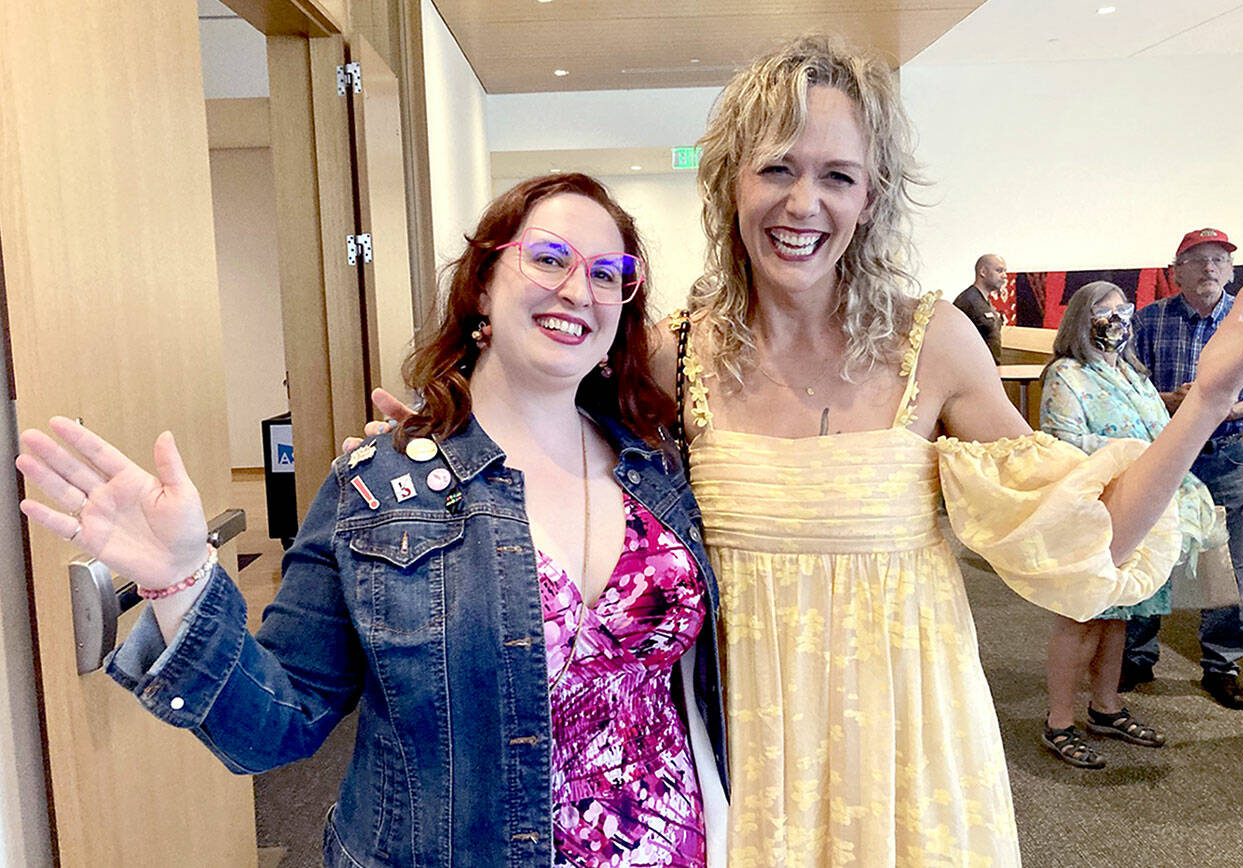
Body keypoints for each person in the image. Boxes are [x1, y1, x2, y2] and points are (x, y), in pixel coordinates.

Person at [356, 38, 1243, 868]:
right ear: (730, 179)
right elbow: (549, 459)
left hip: (906, 745)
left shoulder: (930, 342)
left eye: (837, 175)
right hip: (740, 743)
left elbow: (1083, 534)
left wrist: (1208, 399)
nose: (802, 202)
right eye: (775, 167)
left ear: (871, 196)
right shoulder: (669, 348)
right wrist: (428, 447)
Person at [15, 174, 729, 868]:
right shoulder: (379, 488)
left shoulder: (656, 470)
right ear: (483, 280)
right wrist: (179, 583)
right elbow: (277, 726)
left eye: (610, 273)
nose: (579, 290)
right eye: (548, 258)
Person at [1037, 281, 1233, 768]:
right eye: (1105, 312)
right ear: (1082, 319)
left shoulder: (1132, 374)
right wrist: (1131, 457)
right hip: (1098, 512)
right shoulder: (1066, 374)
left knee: (1121, 617)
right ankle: (1058, 721)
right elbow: (1061, 445)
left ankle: (1106, 707)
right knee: (1082, 616)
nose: (1118, 320)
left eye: (1125, 310)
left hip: (1147, 512)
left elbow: (1158, 436)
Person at [1122, 228, 1243, 710]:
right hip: (1161, 456)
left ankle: (1222, 665)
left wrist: (1224, 408)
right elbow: (1130, 389)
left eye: (1218, 260)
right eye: (1197, 260)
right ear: (1176, 271)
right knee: (1149, 552)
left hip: (1224, 456)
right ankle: (1137, 656)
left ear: (1231, 270)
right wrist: (1172, 401)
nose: (1209, 269)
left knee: (1226, 565)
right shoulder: (1148, 321)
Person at [953, 253, 1008, 362]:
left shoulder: (986, 301)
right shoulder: (968, 301)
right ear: (983, 272)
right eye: (999, 270)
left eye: (1005, 271)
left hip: (990, 368)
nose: (1004, 275)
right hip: (973, 369)